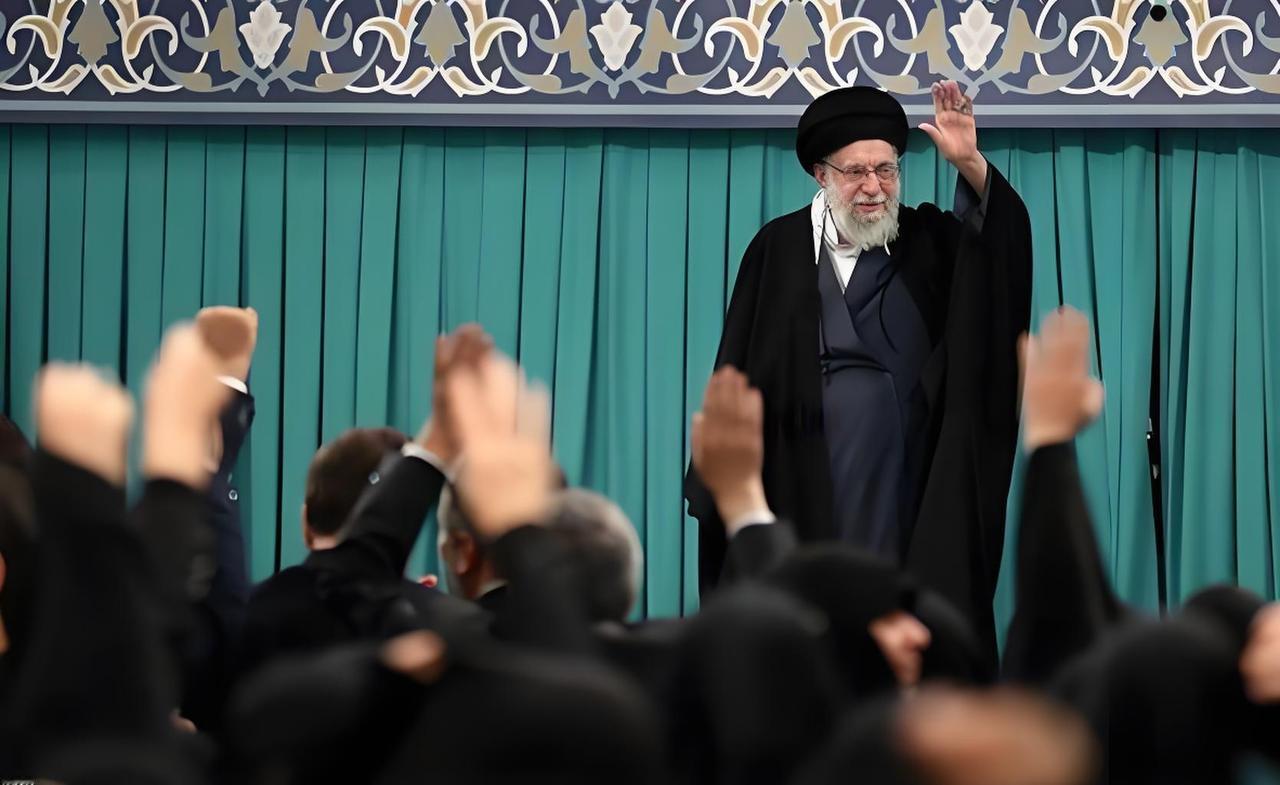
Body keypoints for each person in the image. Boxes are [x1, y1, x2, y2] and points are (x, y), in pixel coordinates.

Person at [685, 82, 1032, 662]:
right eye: (856, 172)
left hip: (907, 490)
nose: (874, 187)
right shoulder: (777, 248)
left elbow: (997, 263)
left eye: (886, 170)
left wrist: (970, 163)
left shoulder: (928, 242)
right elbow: (741, 366)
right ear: (821, 174)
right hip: (801, 486)